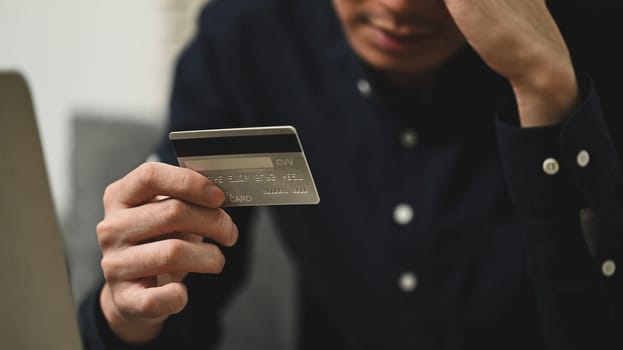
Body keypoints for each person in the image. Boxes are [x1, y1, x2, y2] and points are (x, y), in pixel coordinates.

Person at [78, 0, 623, 349]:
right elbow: (177, 294)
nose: (400, 7)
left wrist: (548, 87)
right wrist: (128, 312)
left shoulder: (595, 34)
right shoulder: (250, 37)